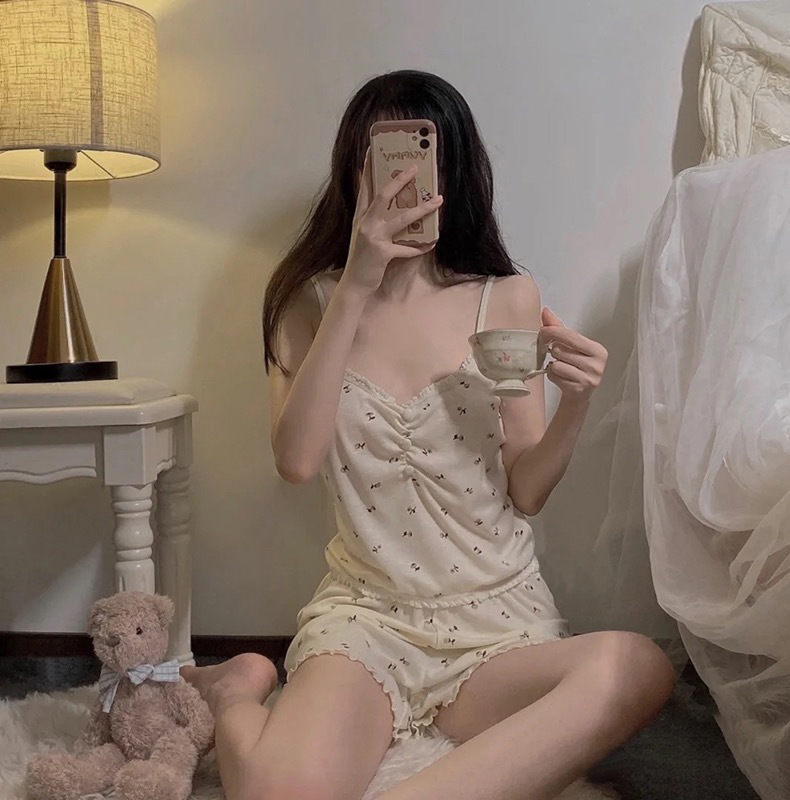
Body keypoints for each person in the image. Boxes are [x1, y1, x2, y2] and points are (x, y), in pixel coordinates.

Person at [181, 69, 676, 800]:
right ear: (355, 168)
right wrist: (357, 282)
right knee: (278, 789)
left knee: (637, 667)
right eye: (386, 157)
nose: (404, 179)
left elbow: (527, 490)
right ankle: (237, 688)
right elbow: (297, 460)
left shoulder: (506, 296)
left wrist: (576, 403)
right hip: (367, 622)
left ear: (455, 170)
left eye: (424, 157)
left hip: (497, 627)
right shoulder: (307, 299)